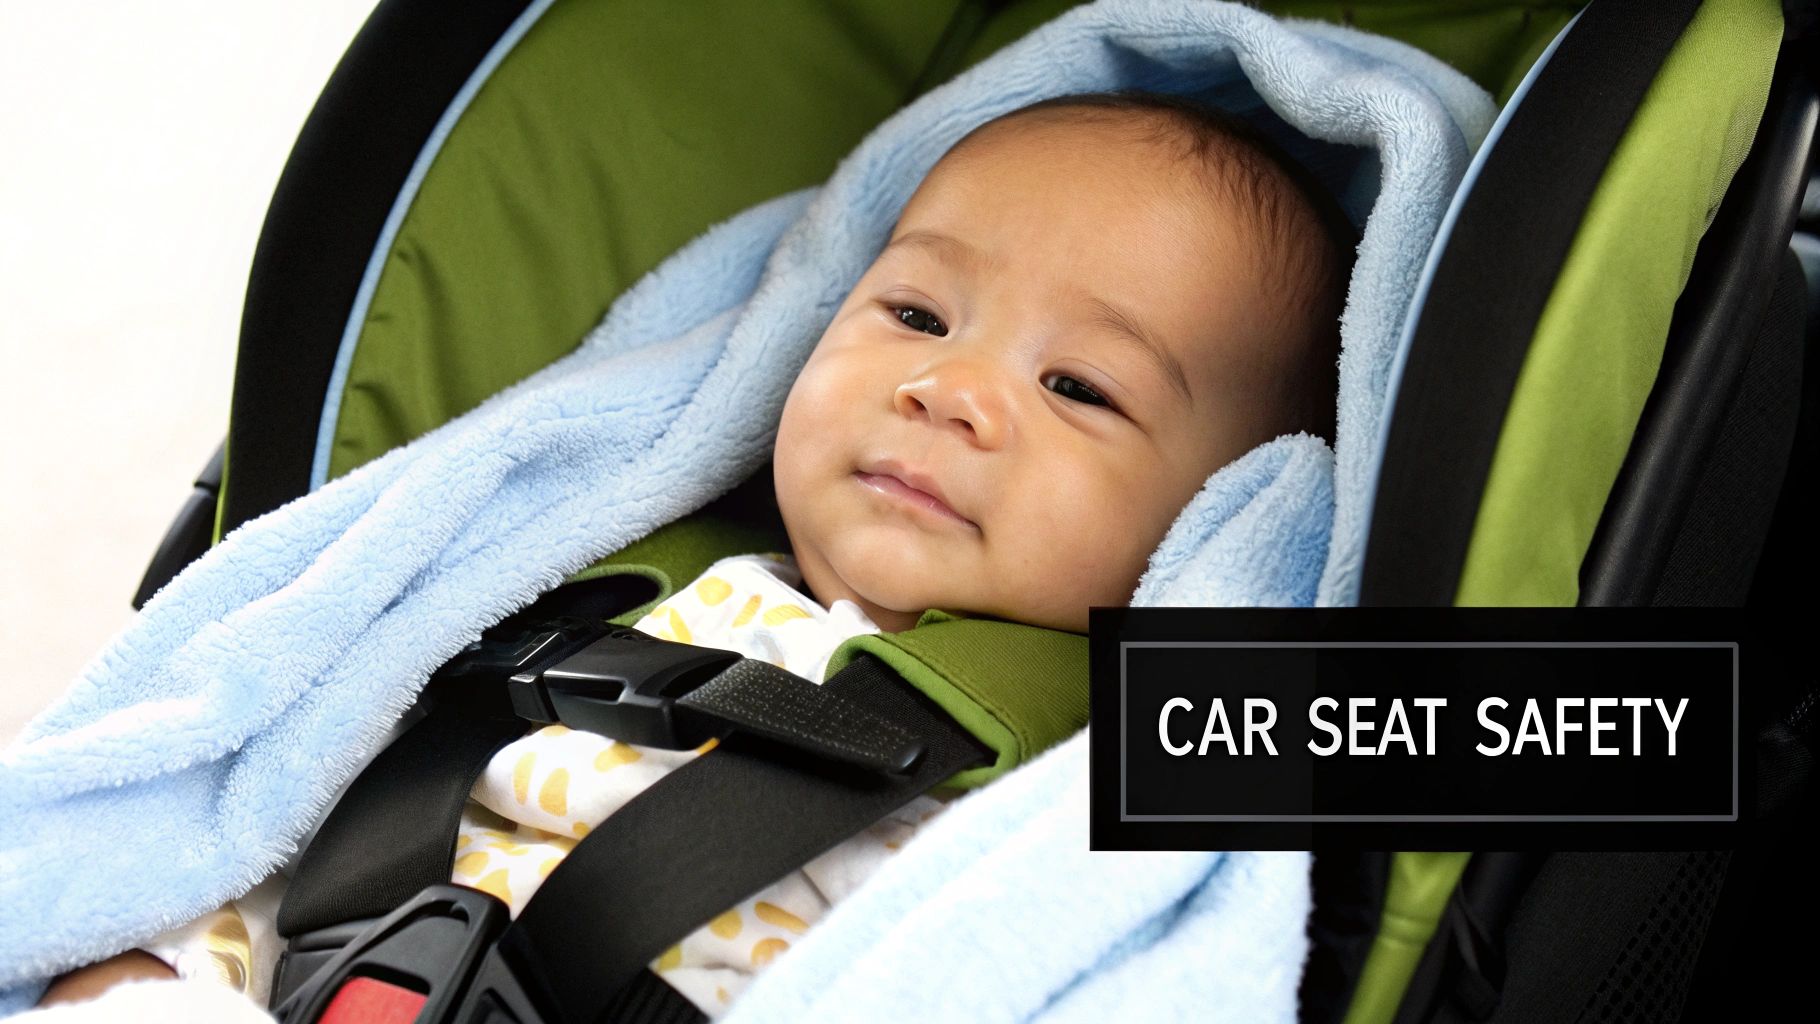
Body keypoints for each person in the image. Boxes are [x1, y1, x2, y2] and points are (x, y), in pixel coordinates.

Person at [33, 89, 1355, 1018]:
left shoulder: (1089, 792)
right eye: (914, 311)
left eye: (1080, 387)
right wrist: (133, 970)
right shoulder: (582, 577)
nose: (951, 389)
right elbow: (259, 788)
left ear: (1226, 509)